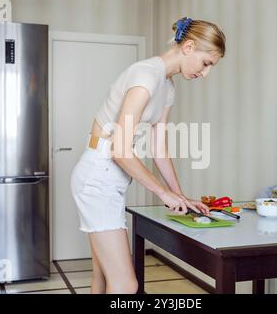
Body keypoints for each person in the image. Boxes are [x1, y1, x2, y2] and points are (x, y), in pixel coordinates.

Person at [70, 17, 226, 294]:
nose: (205, 74)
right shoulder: (145, 76)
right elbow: (119, 149)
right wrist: (163, 194)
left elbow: (159, 149)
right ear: (188, 47)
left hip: (108, 180)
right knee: (126, 285)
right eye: (206, 63)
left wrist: (179, 195)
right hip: (98, 177)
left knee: (103, 276)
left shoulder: (167, 86)